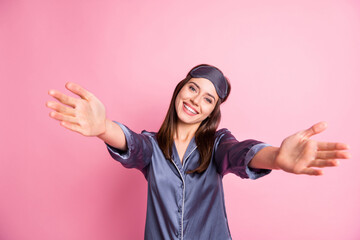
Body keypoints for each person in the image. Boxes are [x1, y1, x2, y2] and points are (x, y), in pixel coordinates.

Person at [46, 64, 350, 240]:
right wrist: (103, 128)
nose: (196, 101)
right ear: (180, 89)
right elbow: (131, 144)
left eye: (208, 99)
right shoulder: (152, 148)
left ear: (210, 112)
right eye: (193, 89)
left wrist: (276, 158)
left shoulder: (218, 145)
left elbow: (239, 153)